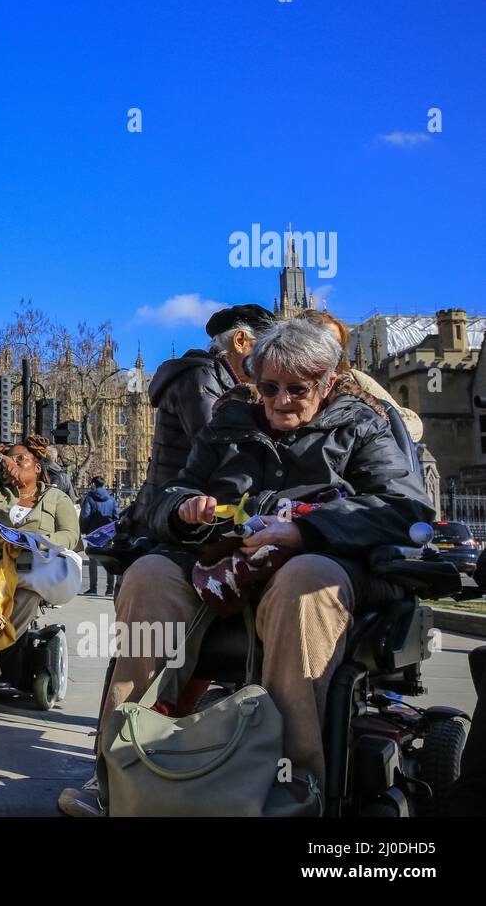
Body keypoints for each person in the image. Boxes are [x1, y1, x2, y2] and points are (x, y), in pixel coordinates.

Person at [60, 319, 433, 816]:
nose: (280, 400)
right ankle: (121, 769)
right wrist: (183, 509)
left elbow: (404, 508)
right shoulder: (227, 425)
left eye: (297, 389)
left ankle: (295, 781)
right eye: (269, 387)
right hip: (222, 565)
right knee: (148, 576)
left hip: (316, 568)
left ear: (325, 383)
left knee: (302, 582)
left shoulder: (361, 428)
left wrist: (307, 530)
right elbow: (167, 495)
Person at [128, 304, 274, 524]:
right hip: (172, 514)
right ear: (240, 341)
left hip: (192, 507)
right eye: (262, 349)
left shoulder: (223, 379)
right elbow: (222, 451)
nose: (268, 361)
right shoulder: (201, 379)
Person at [0, 435, 80, 639]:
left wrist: (39, 541)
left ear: (37, 468)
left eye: (20, 458)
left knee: (28, 596)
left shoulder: (56, 498)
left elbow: (70, 535)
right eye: (10, 459)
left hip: (26, 566)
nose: (13, 462)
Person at [301, 308, 423, 442]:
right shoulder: (281, 384)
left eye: (337, 345)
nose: (331, 349)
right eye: (322, 341)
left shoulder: (354, 379)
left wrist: (364, 430)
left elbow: (413, 424)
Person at [80, 476, 119, 596]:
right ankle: (110, 589)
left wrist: (83, 529)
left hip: (94, 533)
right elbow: (116, 516)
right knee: (108, 559)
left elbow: (85, 515)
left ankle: (93, 588)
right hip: (107, 533)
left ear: (93, 484)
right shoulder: (111, 499)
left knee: (93, 559)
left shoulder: (89, 498)